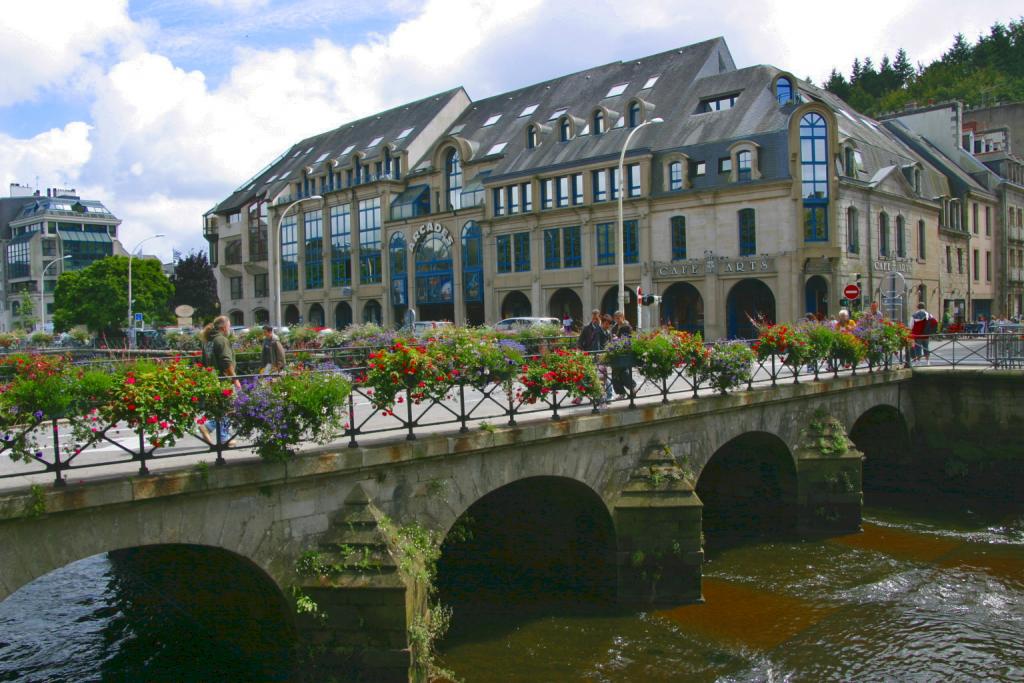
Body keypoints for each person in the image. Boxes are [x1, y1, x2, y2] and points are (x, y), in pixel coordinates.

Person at [199, 315, 240, 446]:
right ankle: (221, 435)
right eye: (229, 326)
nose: (230, 329)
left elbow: (203, 362)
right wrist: (235, 379)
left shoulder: (208, 341)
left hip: (212, 379)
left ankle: (213, 429)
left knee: (222, 408)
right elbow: (226, 361)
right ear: (224, 327)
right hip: (223, 379)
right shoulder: (221, 340)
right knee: (228, 407)